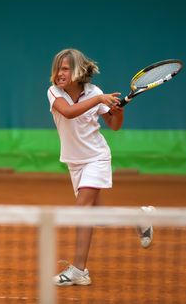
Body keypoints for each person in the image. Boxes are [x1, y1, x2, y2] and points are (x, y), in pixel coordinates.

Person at [47, 48, 153, 286]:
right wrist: (99, 100)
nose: (59, 73)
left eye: (65, 68)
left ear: (77, 71)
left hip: (96, 158)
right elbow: (68, 112)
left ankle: (79, 271)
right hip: (74, 163)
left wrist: (118, 111)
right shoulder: (54, 92)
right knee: (98, 217)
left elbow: (114, 125)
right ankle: (138, 217)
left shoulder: (94, 92)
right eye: (57, 68)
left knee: (82, 210)